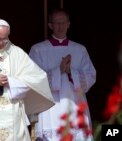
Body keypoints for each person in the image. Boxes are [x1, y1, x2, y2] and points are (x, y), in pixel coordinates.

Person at [29, 8, 96, 141]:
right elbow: (33, 79)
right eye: (57, 23)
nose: (60, 26)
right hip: (50, 107)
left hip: (75, 103)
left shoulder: (79, 49)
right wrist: (58, 70)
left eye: (63, 22)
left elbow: (91, 75)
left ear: (68, 24)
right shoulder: (38, 50)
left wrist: (71, 72)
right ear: (50, 25)